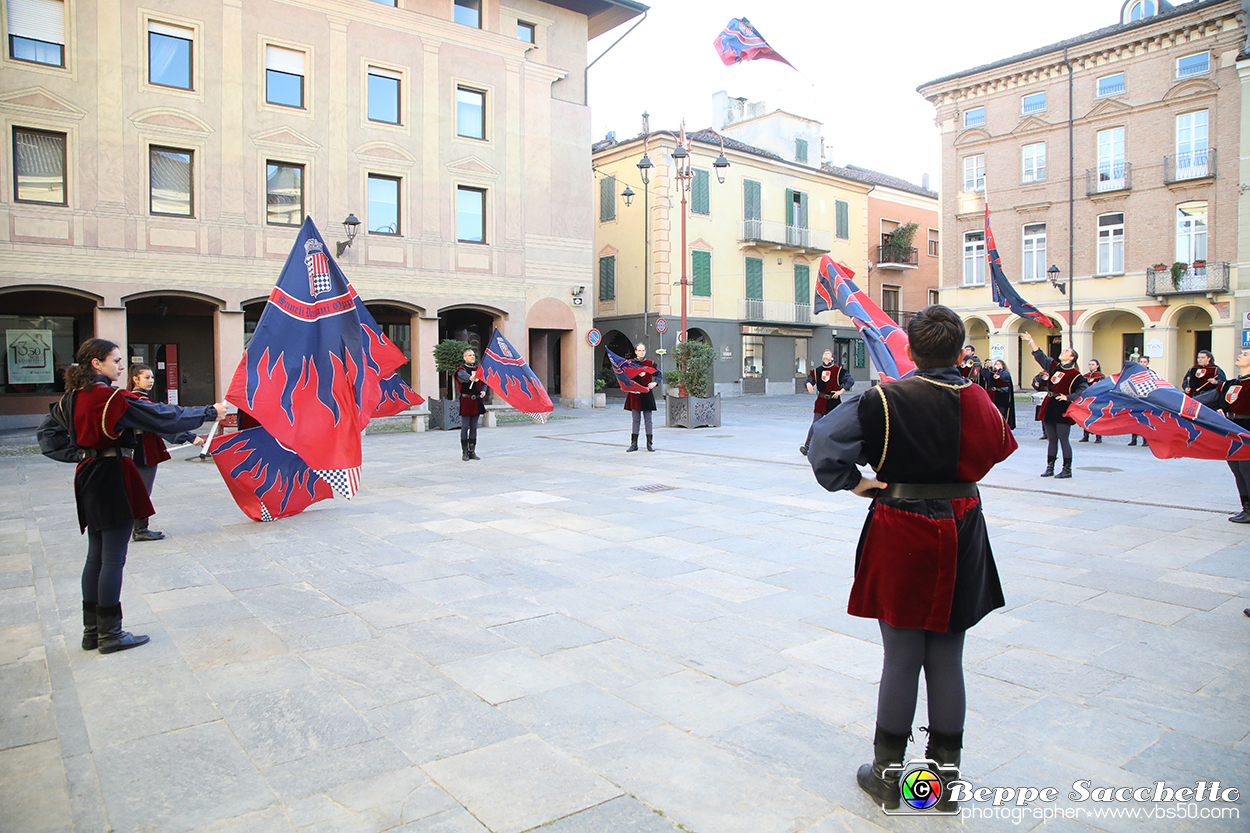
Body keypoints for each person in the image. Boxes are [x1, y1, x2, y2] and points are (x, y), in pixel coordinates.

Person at [807, 305, 1017, 812]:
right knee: (948, 656)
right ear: (959, 349)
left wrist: (857, 482)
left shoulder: (882, 398)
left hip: (900, 522)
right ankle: (942, 785)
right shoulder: (981, 399)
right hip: (963, 524)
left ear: (912, 349)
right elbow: (1000, 447)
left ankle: (887, 775)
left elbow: (821, 446)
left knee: (901, 655)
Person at [55, 339, 223, 654]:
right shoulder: (111, 398)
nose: (121, 366)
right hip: (112, 475)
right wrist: (210, 411)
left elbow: (49, 435)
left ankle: (92, 631)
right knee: (112, 558)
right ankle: (110, 633)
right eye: (116, 360)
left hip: (89, 475)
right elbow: (161, 416)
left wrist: (81, 454)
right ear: (96, 364)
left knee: (96, 555)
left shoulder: (70, 398)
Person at [126, 363, 205, 541]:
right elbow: (163, 423)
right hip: (141, 451)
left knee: (138, 491)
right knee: (142, 491)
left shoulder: (136, 399)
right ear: (135, 379)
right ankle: (139, 529)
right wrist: (189, 436)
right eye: (146, 377)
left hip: (138, 450)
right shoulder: (140, 401)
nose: (151, 381)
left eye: (152, 377)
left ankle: (135, 527)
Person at [1195, 348, 1250, 523]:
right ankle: (1246, 508)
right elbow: (1204, 400)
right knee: (1237, 470)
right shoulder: (1228, 385)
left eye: (1246, 354)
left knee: (1247, 469)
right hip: (1232, 429)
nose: (1241, 355)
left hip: (1248, 429)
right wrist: (1175, 402)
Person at [1024, 332, 1087, 478]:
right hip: (1050, 405)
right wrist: (1031, 340)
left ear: (1071, 358)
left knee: (1063, 439)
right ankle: (1050, 467)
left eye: (1066, 351)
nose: (1063, 351)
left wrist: (1069, 397)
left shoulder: (1075, 374)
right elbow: (1041, 357)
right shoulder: (1054, 366)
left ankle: (1067, 469)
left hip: (1062, 407)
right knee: (1051, 439)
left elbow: (1083, 389)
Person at [800, 349, 853, 457]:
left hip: (834, 400)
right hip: (821, 399)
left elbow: (850, 381)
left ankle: (838, 446)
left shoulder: (839, 371)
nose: (826, 354)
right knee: (816, 423)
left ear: (832, 358)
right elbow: (808, 380)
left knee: (837, 424)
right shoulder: (816, 371)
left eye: (828, 354)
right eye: (824, 353)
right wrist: (808, 384)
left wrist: (841, 391)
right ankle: (807, 446)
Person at [624, 342, 659, 452]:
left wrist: (655, 383)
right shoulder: (630, 363)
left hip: (647, 393)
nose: (641, 352)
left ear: (645, 351)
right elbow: (624, 376)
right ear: (635, 351)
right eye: (639, 350)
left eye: (643, 350)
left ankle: (650, 443)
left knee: (648, 419)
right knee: (636, 420)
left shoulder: (650, 363)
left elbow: (659, 374)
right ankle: (634, 444)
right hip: (635, 393)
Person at [457, 348, 487, 461]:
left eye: (473, 355)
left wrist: (483, 390)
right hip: (466, 400)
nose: (472, 357)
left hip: (476, 400)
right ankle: (464, 452)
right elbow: (463, 376)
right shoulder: (461, 370)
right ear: (465, 358)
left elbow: (484, 381)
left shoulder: (478, 370)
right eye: (469, 355)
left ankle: (472, 451)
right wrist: (470, 378)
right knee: (465, 426)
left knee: (474, 427)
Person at [1079, 360, 1106, 444]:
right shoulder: (1086, 376)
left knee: (1097, 417)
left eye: (1093, 364)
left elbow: (1103, 387)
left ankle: (1098, 436)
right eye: (1090, 364)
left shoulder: (1101, 376)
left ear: (1097, 366)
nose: (1091, 366)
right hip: (1087, 399)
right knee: (1086, 416)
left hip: (1097, 398)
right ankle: (1086, 435)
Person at [1129, 356, 1153, 448]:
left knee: (1144, 419)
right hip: (1135, 399)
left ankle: (1145, 440)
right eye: (1141, 362)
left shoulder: (1150, 373)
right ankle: (1133, 439)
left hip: (1145, 399)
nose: (1142, 364)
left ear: (1147, 363)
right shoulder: (1134, 373)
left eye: (1144, 362)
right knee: (1134, 419)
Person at [987, 359, 1015, 429]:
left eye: (999, 364)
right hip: (994, 395)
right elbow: (986, 376)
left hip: (1003, 396)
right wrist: (987, 367)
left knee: (1001, 412)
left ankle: (1002, 426)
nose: (997, 365)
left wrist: (1000, 370)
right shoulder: (993, 373)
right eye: (996, 364)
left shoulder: (1005, 373)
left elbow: (1005, 378)